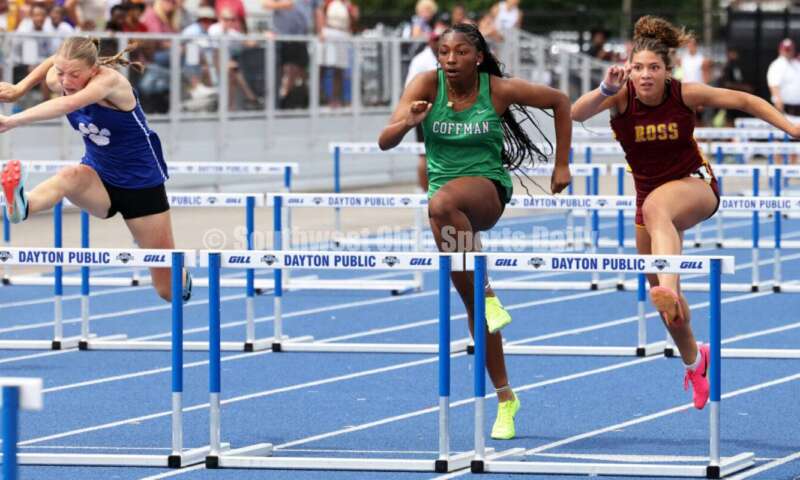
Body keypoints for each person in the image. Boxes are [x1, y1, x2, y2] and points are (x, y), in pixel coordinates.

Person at [572, 16, 800, 410]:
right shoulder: (619, 96)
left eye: (654, 68)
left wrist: (792, 130)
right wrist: (605, 87)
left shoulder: (684, 94)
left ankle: (670, 287)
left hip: (695, 184)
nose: (645, 76)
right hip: (647, 200)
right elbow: (576, 112)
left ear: (667, 71)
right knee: (668, 310)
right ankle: (695, 360)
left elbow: (745, 101)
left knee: (661, 219)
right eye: (638, 68)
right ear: (629, 68)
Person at [379, 23, 572, 440]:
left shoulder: (497, 89)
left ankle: (487, 291)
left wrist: (562, 163)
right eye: (444, 52)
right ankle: (506, 398)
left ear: (478, 56)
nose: (450, 60)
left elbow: (559, 100)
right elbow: (385, 140)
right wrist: (409, 121)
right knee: (475, 311)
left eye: (460, 52)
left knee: (443, 203)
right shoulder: (426, 85)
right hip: (447, 214)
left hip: (486, 191)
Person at [0, 37, 192, 303]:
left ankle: (180, 277)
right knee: (69, 176)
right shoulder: (63, 76)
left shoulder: (109, 82)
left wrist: (12, 120)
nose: (65, 81)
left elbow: (68, 104)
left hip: (141, 185)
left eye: (74, 75)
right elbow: (51, 65)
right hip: (98, 177)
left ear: (93, 69)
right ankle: (22, 205)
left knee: (168, 291)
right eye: (61, 72)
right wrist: (19, 89)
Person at [404, 29, 441, 191]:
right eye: (435, 39)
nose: (438, 42)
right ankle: (427, 194)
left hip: (446, 114)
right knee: (424, 155)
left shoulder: (449, 58)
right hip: (425, 114)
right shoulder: (420, 60)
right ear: (430, 41)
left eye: (441, 39)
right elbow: (409, 89)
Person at [767, 38, 800, 116]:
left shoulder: (796, 63)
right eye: (785, 50)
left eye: (789, 50)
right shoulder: (777, 65)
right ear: (780, 50)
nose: (787, 52)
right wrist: (778, 101)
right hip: (785, 107)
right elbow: (773, 84)